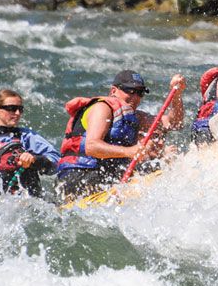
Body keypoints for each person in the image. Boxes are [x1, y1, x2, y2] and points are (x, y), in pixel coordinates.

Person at [55, 70, 186, 201]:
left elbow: (173, 123)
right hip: (78, 178)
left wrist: (176, 95)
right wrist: (129, 152)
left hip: (105, 175)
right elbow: (91, 146)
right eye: (130, 91)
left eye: (140, 93)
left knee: (165, 164)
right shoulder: (102, 107)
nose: (135, 97)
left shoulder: (135, 116)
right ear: (113, 91)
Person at [0, 89, 60, 209]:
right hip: (1, 212)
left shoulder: (28, 137)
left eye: (20, 109)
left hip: (36, 205)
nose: (18, 113)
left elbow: (57, 161)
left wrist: (35, 159)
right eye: (12, 108)